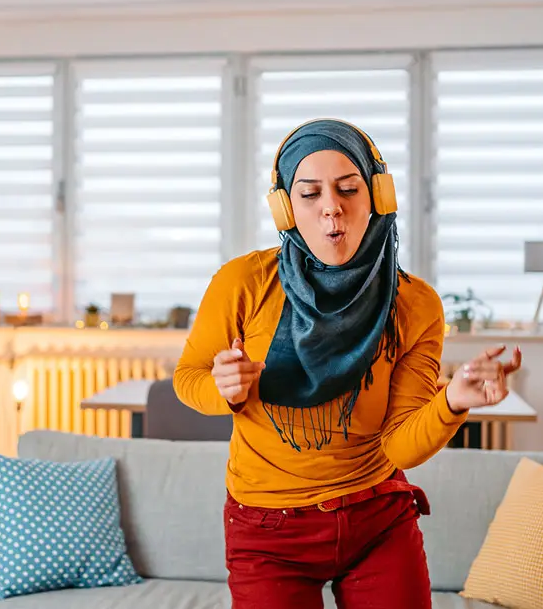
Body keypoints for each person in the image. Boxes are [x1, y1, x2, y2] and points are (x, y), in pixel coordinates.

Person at [172, 118, 523, 609]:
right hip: (269, 529)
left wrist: (454, 400)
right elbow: (188, 379)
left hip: (376, 518)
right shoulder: (242, 283)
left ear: (378, 196)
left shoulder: (415, 305)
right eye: (309, 193)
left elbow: (401, 446)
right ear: (285, 208)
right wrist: (222, 387)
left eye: (348, 188)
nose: (331, 208)